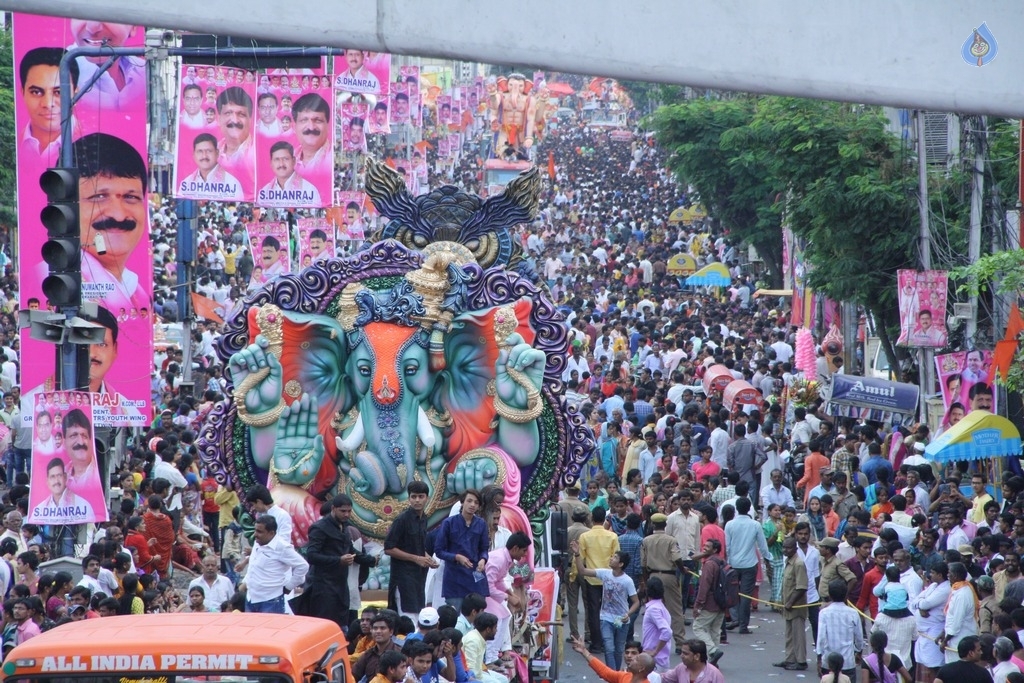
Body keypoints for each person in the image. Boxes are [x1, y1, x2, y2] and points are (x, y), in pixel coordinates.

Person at [74, 132, 151, 313]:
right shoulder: (49, 283)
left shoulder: (136, 291)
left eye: (130, 197)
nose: (118, 215)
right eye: (99, 196)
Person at [299, 495, 374, 630]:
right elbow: (312, 556)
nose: (346, 514)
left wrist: (370, 560)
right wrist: (338, 560)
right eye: (343, 511)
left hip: (340, 585)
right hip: (322, 587)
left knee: (340, 626)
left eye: (349, 511)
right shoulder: (320, 528)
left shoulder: (344, 527)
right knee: (324, 627)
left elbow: (350, 550)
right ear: (333, 509)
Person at [571, 541, 638, 671]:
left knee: (619, 650)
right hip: (606, 618)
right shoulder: (605, 573)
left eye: (615, 558)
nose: (611, 558)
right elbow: (582, 571)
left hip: (622, 621)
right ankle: (612, 675)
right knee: (609, 647)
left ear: (621, 564)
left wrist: (627, 614)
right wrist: (577, 554)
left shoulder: (627, 581)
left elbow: (636, 602)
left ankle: (616, 674)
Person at [384, 481, 437, 619]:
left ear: (427, 498)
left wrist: (428, 559)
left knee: (418, 615)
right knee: (408, 619)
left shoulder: (423, 518)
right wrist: (417, 558)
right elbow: (389, 548)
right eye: (413, 497)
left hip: (418, 578)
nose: (417, 500)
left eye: (420, 496)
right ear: (409, 498)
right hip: (403, 579)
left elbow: (417, 546)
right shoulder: (402, 520)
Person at [19, 46, 81, 160]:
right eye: (36, 92)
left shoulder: (94, 145)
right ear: (22, 92)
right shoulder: (11, 143)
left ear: (76, 93)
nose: (48, 104)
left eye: (59, 92)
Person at [238, 514, 308, 614]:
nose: (255, 534)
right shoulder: (259, 542)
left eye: (259, 532)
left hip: (271, 601)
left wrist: (289, 586)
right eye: (255, 530)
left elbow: (303, 566)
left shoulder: (282, 547)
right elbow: (254, 565)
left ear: (271, 533)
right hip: (251, 599)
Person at [434, 489, 490, 611]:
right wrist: (456, 557)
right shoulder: (448, 523)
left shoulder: (481, 524)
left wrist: (483, 559)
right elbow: (439, 551)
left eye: (476, 502)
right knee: (455, 617)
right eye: (469, 501)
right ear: (462, 502)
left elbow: (484, 548)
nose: (472, 505)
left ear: (479, 506)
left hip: (476, 575)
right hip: (455, 577)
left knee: (478, 617)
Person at [640, 512, 686, 652]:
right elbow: (677, 557)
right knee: (675, 610)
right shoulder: (671, 540)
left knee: (654, 609)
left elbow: (643, 563)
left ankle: (652, 642)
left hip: (653, 575)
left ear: (653, 524)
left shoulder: (646, 540)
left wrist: (646, 579)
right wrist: (682, 569)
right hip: (669, 575)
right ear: (665, 525)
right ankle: (680, 643)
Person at [724, 497, 770, 634]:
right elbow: (762, 545)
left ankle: (735, 618)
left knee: (732, 593)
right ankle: (743, 625)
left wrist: (729, 561)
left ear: (737, 509)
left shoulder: (730, 525)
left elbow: (728, 546)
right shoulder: (755, 525)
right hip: (750, 564)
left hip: (733, 563)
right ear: (749, 507)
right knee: (746, 595)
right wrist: (768, 558)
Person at [580, 506, 621, 654]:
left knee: (593, 612)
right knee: (610, 610)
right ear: (605, 518)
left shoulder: (585, 536)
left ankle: (597, 644)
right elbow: (617, 557)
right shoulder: (612, 536)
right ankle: (609, 641)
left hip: (592, 577)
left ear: (591, 518)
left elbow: (581, 558)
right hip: (610, 578)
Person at [816, 579, 864, 680]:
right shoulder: (853, 613)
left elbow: (821, 638)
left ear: (830, 595)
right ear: (846, 594)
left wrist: (819, 659)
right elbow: (859, 637)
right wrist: (859, 652)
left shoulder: (824, 613)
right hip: (848, 662)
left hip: (828, 663)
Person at [774, 537, 809, 671]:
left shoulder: (798, 563)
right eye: (783, 547)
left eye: (788, 547)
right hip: (788, 606)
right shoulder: (788, 562)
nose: (784, 550)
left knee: (798, 635)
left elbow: (801, 587)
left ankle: (801, 661)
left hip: (796, 606)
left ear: (795, 548)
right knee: (789, 634)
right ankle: (790, 659)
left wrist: (790, 602)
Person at [692, 538, 727, 667]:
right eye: (704, 545)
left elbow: (704, 587)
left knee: (698, 627)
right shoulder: (722, 562)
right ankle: (713, 661)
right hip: (722, 602)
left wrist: (698, 605)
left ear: (715, 549)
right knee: (715, 631)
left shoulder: (709, 564)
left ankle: (713, 651)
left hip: (710, 603)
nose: (705, 548)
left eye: (708, 546)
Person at [179, 133, 244, 200]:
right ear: (194, 155)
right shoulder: (186, 184)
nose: (204, 156)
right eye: (200, 151)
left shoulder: (231, 183)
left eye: (209, 151)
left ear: (217, 153)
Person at [30, 458, 95, 524]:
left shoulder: (83, 505)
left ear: (65, 477)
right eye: (52, 477)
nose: (56, 481)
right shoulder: (39, 510)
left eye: (59, 476)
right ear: (47, 481)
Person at [257, 141, 321, 206]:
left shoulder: (309, 190)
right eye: (277, 159)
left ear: (293, 161)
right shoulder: (264, 193)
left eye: (285, 159)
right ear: (271, 163)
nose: (281, 164)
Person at [570, 635, 656, 683]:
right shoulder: (625, 676)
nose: (631, 658)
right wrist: (584, 651)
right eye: (627, 653)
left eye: (636, 659)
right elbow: (604, 671)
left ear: (641, 668)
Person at [939, 562, 979, 663]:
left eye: (949, 573)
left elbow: (956, 623)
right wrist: (943, 633)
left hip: (960, 640)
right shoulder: (958, 590)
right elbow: (951, 618)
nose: (947, 575)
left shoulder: (962, 594)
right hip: (955, 639)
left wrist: (945, 641)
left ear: (955, 575)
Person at [216, 86, 255, 174]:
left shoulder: (257, 153)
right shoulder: (213, 150)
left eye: (241, 114)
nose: (234, 120)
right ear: (219, 119)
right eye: (228, 113)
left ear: (250, 120)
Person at [353, 611, 401, 683]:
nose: (378, 631)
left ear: (391, 632)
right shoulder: (367, 655)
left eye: (382, 628)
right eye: (375, 628)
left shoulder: (399, 653)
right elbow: (354, 675)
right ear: (371, 630)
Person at [292, 93, 333, 174]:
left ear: (328, 126)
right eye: (304, 120)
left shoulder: (333, 159)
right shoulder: (288, 159)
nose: (311, 127)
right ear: (294, 127)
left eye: (318, 120)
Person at [642, 576, 673, 671]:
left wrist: (655, 652)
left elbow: (667, 632)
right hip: (661, 659)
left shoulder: (653, 609)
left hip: (654, 660)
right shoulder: (661, 607)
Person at [660, 639, 726, 683]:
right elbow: (663, 678)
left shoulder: (714, 674)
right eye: (682, 653)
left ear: (697, 656)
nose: (681, 656)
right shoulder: (680, 668)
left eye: (685, 653)